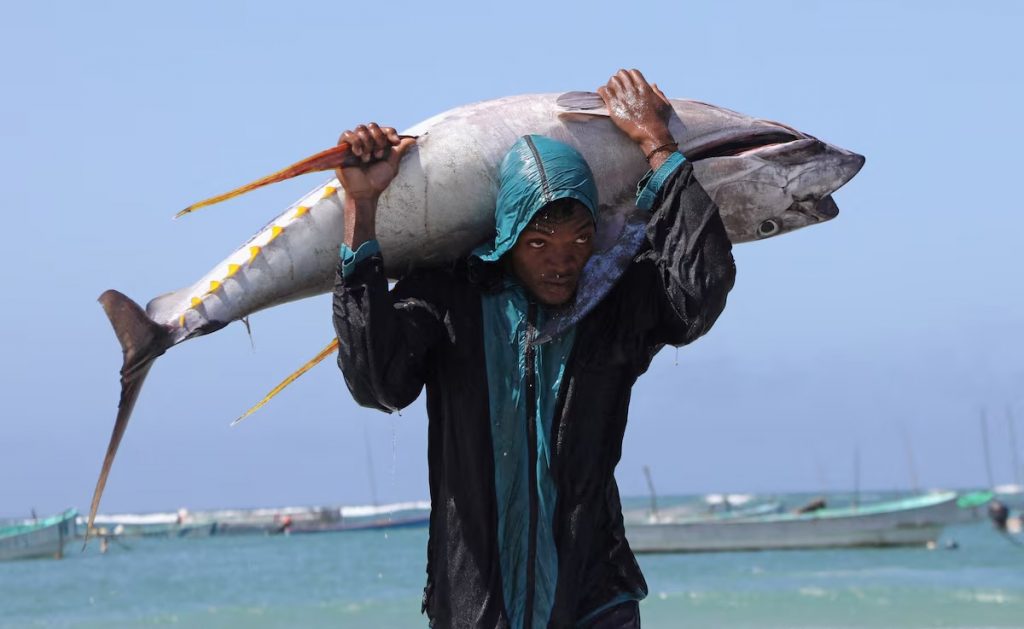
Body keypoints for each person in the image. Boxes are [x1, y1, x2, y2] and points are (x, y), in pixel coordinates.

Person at [332, 70, 736, 628]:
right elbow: (376, 382)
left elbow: (700, 290)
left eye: (578, 240)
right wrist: (361, 208)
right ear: (507, 237)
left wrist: (656, 145)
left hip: (595, 599)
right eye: (539, 242)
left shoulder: (614, 305)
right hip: (476, 607)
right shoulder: (449, 301)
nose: (561, 261)